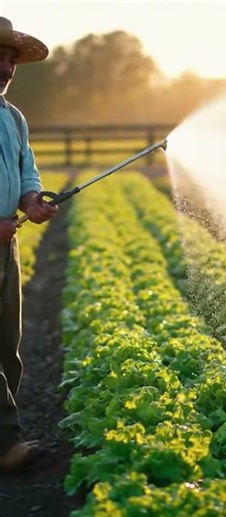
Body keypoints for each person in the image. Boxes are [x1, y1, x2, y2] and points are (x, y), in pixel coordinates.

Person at [0, 16, 58, 471]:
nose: (5, 68)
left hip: (7, 248)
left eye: (10, 59)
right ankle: (7, 444)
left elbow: (25, 172)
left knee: (9, 347)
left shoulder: (13, 118)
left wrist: (33, 200)